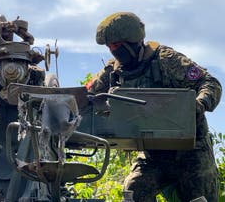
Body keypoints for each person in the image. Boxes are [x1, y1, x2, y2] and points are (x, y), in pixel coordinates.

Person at [87, 12, 222, 201]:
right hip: (153, 156)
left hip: (192, 153)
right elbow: (87, 94)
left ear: (132, 41)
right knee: (133, 192)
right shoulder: (114, 72)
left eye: (116, 45)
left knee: (200, 199)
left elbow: (209, 83)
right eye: (109, 47)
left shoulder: (166, 60)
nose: (112, 50)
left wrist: (198, 105)